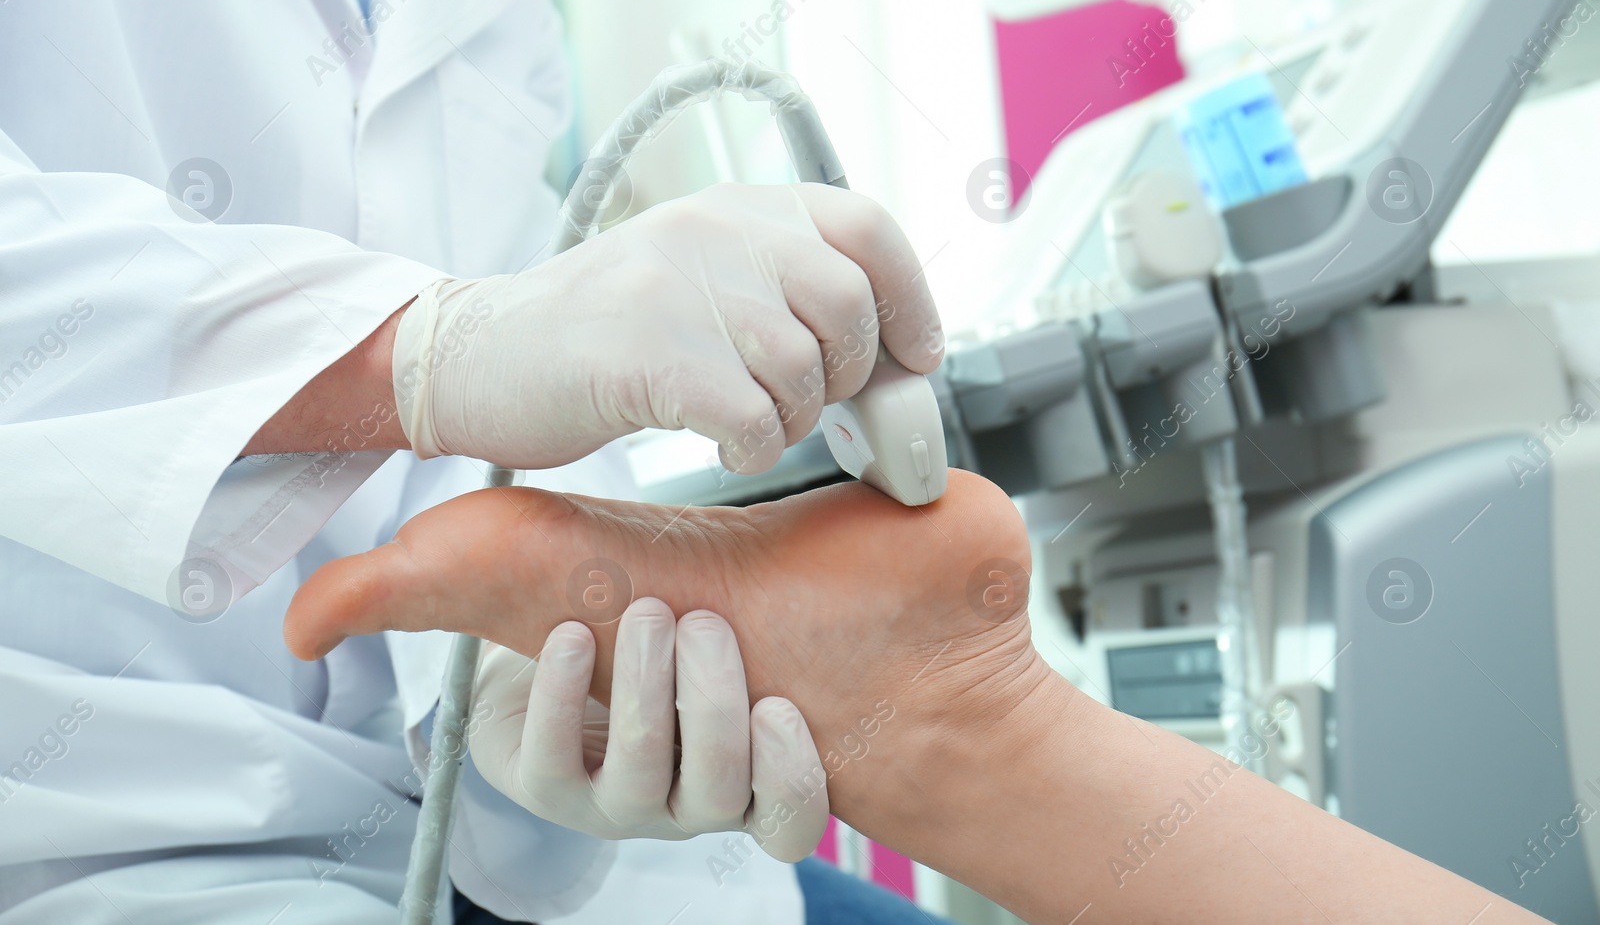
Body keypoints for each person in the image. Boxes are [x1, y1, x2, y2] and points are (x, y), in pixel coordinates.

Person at [0, 0, 945, 922]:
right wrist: (427, 352)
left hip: (498, 843)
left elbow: (508, 407)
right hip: (110, 835)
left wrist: (512, 653)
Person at [285, 468, 1557, 925]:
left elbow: (496, 359)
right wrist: (417, 352)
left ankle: (967, 732)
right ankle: (971, 733)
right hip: (191, 832)